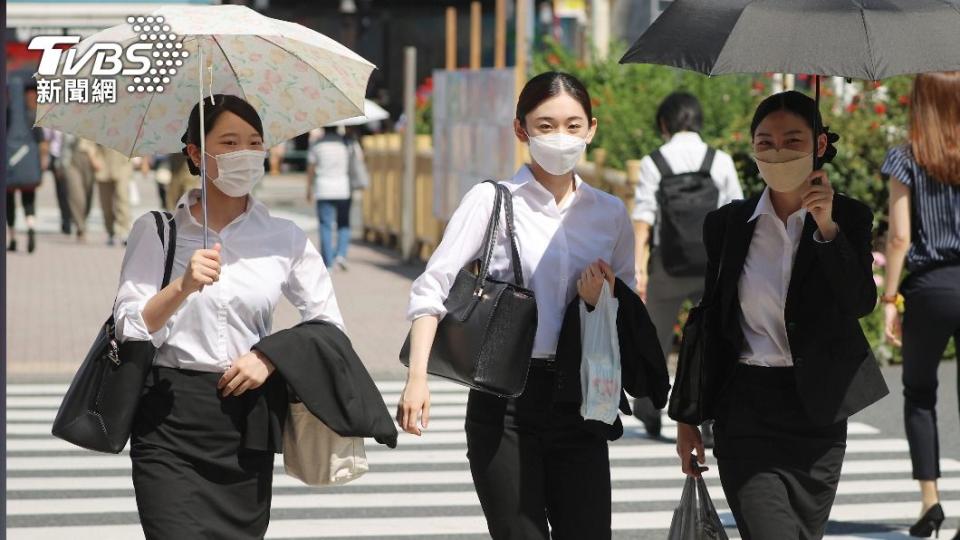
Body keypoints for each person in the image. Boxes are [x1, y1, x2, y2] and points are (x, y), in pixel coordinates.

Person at [397, 72, 637, 539]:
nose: (560, 137)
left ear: (592, 129)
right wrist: (417, 378)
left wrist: (599, 300)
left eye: (572, 125)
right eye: (545, 126)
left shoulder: (609, 213)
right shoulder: (490, 200)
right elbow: (433, 287)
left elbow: (627, 308)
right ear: (521, 130)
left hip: (581, 398)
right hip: (502, 398)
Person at [116, 94, 347, 538]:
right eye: (229, 142)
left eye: (254, 143)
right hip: (169, 419)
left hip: (248, 420)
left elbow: (328, 324)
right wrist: (181, 287)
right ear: (196, 154)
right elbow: (129, 324)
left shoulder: (285, 237)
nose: (245, 153)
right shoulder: (158, 230)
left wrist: (271, 357)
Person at [674, 90, 888, 539]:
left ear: (820, 147)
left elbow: (859, 303)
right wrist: (687, 419)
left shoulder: (848, 217)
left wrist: (826, 228)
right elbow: (709, 323)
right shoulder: (728, 225)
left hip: (818, 414)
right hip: (745, 411)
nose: (777, 152)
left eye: (793, 141)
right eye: (765, 141)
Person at [631, 92, 744, 440]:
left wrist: (639, 267)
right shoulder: (719, 160)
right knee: (711, 340)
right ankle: (710, 415)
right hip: (712, 267)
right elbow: (737, 212)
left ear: (663, 123)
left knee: (654, 338)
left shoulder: (655, 161)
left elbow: (644, 217)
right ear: (697, 120)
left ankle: (649, 406)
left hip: (668, 265)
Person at [880, 71, 960, 539]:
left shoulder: (906, 158)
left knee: (920, 395)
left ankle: (930, 501)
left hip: (930, 288)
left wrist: (890, 298)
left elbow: (899, 236)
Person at [6, 78, 47, 254]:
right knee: (28, 201)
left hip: (9, 168)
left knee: (9, 203)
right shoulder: (32, 115)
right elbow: (43, 144)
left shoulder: (6, 114)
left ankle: (13, 238)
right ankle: (30, 227)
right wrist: (42, 166)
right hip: (29, 167)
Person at [307, 126, 354, 270]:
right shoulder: (346, 142)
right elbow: (357, 161)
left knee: (325, 225)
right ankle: (341, 254)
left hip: (323, 188)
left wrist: (309, 188)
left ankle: (328, 263)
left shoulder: (317, 144)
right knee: (344, 223)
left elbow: (311, 167)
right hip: (343, 187)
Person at [94, 143, 133, 246]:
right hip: (103, 166)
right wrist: (93, 158)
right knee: (106, 204)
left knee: (122, 198)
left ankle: (124, 230)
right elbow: (89, 143)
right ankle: (110, 231)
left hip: (123, 165)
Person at [63, 137, 99, 242]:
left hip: (91, 159)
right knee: (76, 195)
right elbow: (64, 144)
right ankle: (80, 226)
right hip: (72, 159)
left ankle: (83, 219)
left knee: (88, 195)